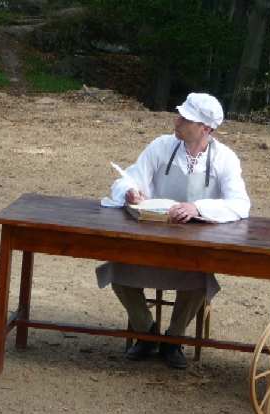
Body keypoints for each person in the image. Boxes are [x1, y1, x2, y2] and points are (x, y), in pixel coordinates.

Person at [96, 92, 250, 369]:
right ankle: (146, 332)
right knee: (117, 270)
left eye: (185, 119)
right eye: (179, 116)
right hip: (151, 241)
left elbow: (240, 204)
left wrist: (197, 208)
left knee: (200, 279)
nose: (176, 121)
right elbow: (129, 178)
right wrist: (130, 191)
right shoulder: (161, 146)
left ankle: (174, 339)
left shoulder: (225, 159)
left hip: (194, 250)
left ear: (205, 128)